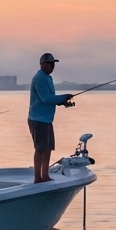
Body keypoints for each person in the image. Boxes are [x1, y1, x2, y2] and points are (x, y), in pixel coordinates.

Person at [28, 52, 75, 183]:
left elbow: (51, 98)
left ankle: (45, 176)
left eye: (53, 64)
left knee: (48, 148)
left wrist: (62, 101)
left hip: (47, 119)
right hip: (38, 119)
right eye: (50, 64)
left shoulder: (48, 78)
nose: (53, 66)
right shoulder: (39, 78)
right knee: (40, 148)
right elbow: (46, 98)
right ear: (42, 64)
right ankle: (38, 178)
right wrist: (62, 97)